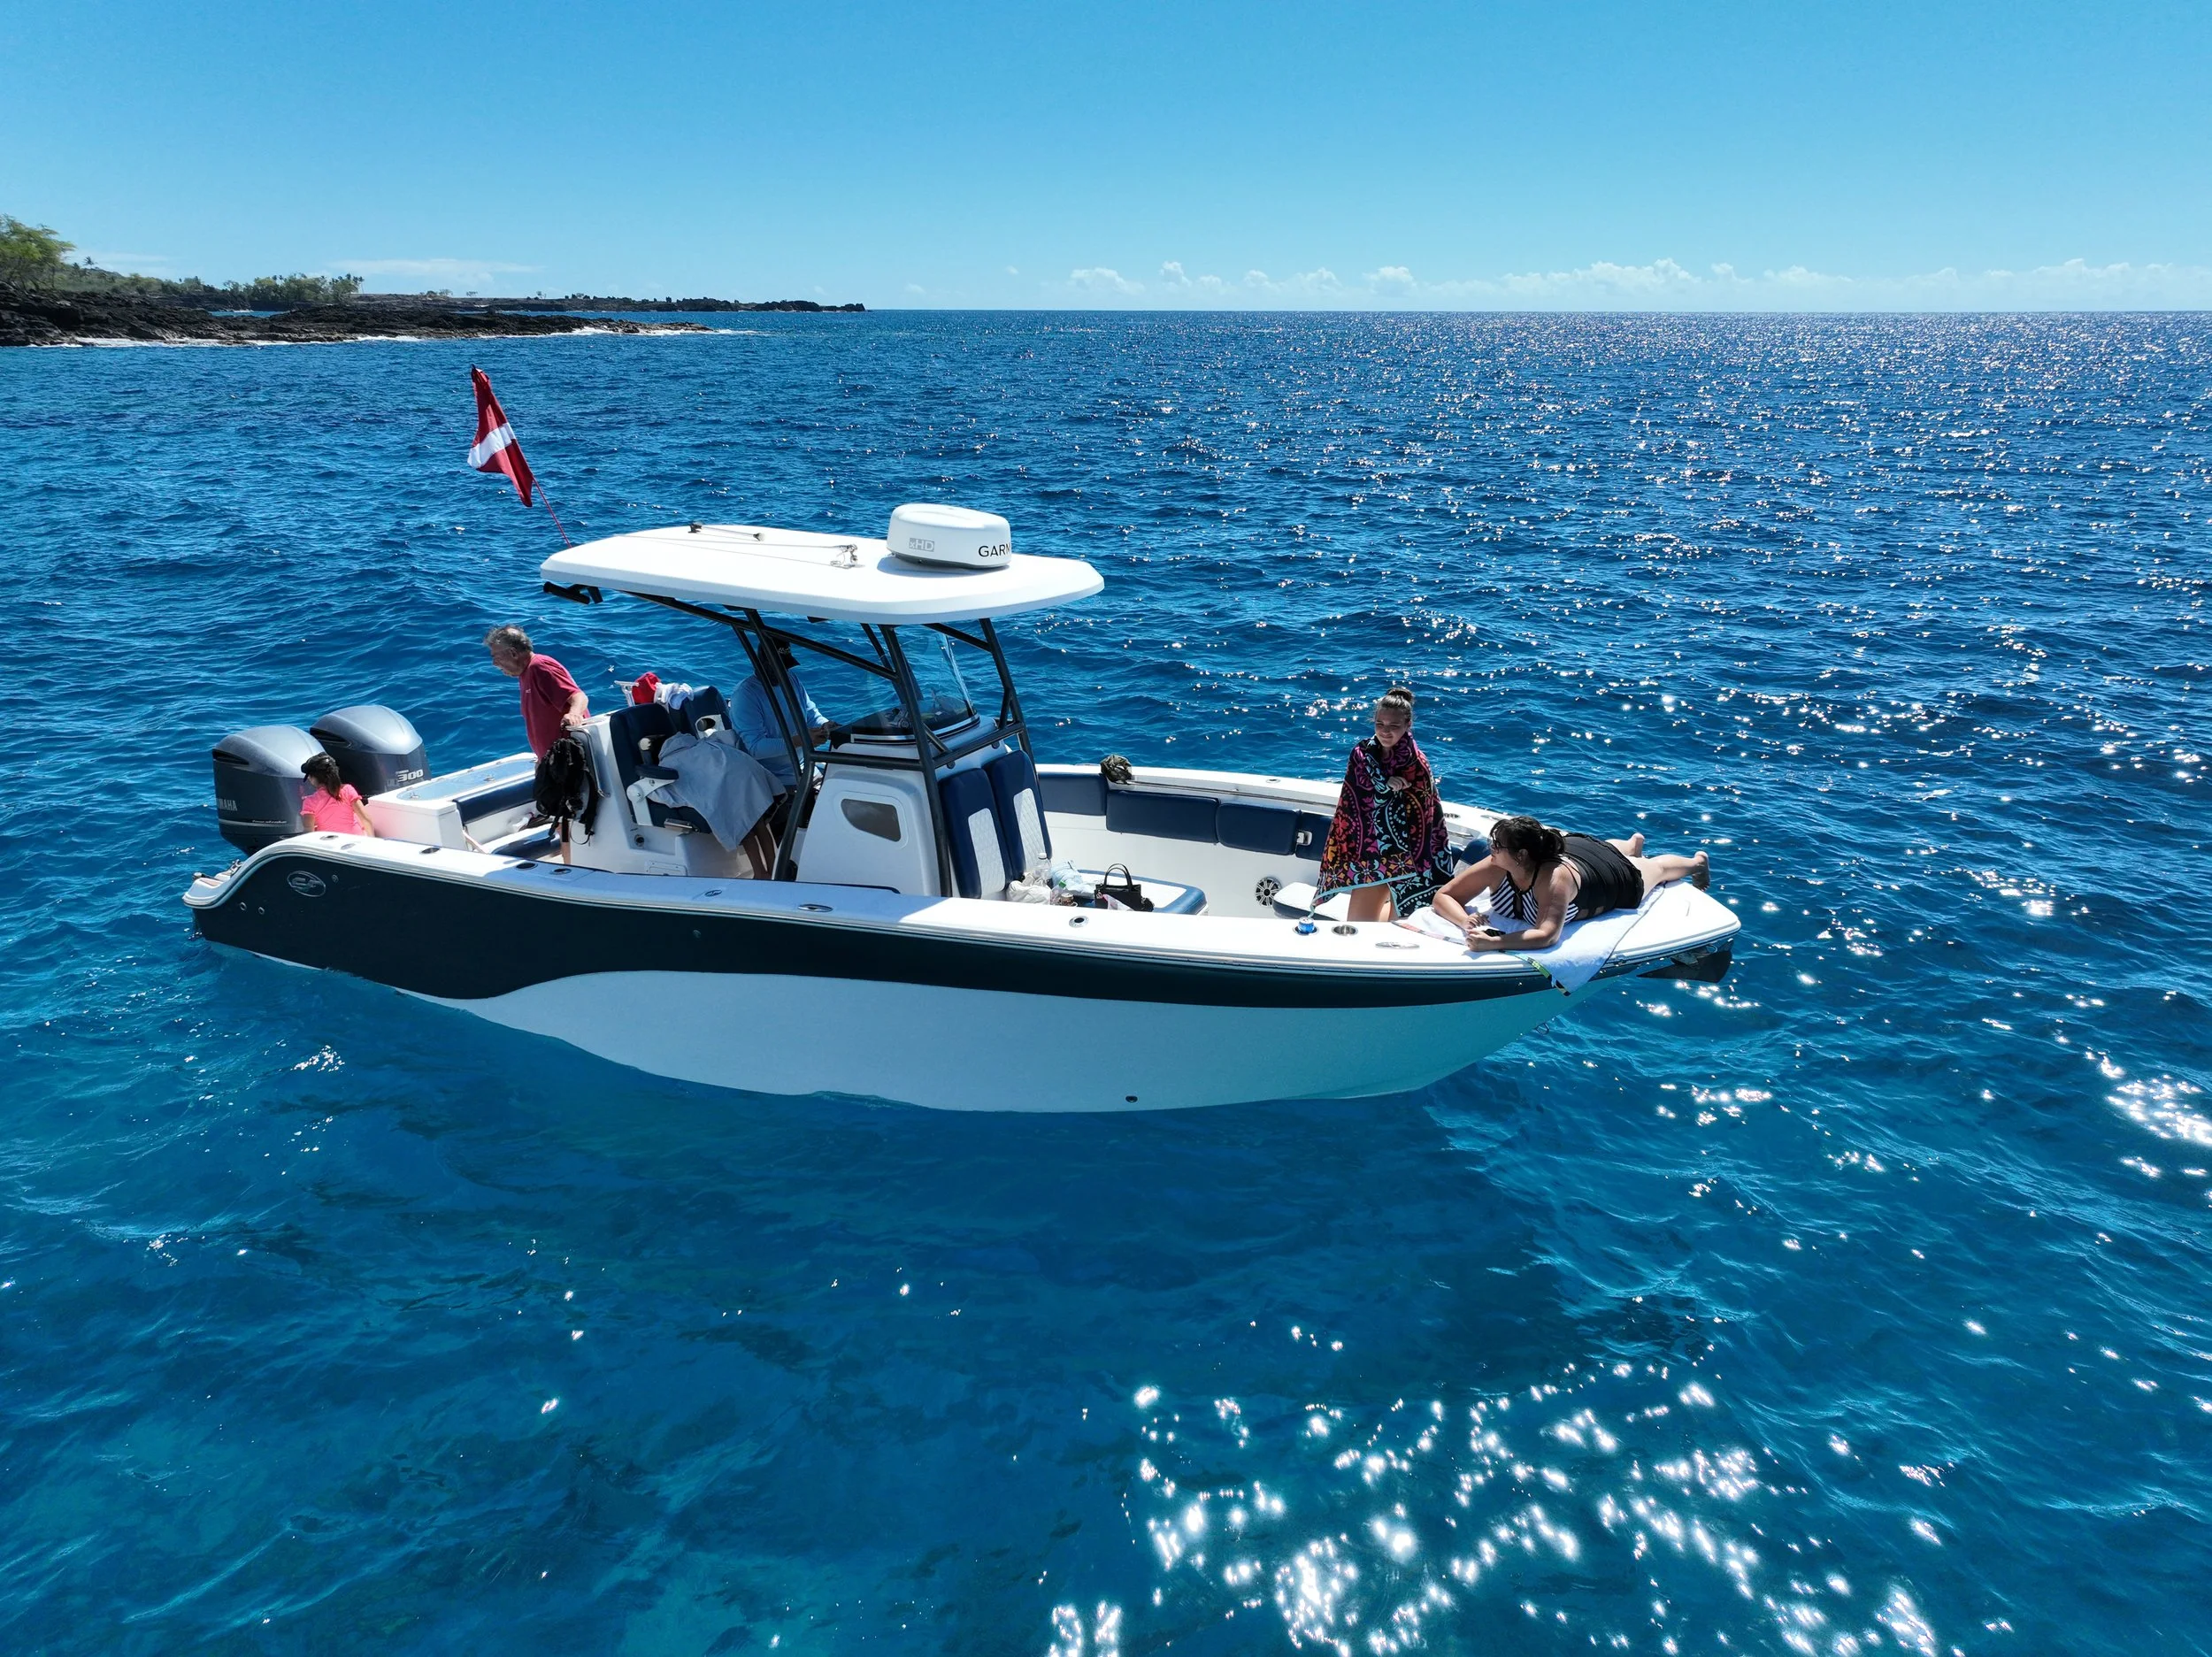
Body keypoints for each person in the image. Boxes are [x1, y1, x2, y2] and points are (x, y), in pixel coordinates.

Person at [1430, 815, 1709, 952]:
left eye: (1497, 845)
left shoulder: (1553, 879)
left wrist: (1496, 943)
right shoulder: (1497, 865)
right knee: (1606, 847)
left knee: (1655, 868)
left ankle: (1696, 861)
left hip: (1608, 877)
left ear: (1521, 855)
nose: (1490, 849)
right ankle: (1630, 845)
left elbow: (1547, 934)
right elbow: (1444, 896)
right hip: (1576, 848)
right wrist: (1465, 922)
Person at [1317, 685, 1455, 923]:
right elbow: (1354, 799)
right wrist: (1383, 783)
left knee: (1398, 928)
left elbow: (1425, 814)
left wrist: (1391, 788)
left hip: (1411, 858)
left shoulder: (1417, 763)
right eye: (1380, 724)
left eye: (1394, 726)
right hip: (1372, 855)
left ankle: (1394, 904)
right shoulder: (1362, 754)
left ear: (1408, 725)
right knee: (1357, 924)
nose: (1385, 732)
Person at [731, 641, 831, 791]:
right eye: (775, 666)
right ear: (760, 662)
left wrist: (826, 725)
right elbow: (755, 748)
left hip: (807, 768)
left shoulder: (791, 679)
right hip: (775, 782)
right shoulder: (745, 694)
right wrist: (802, 740)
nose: (782, 671)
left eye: (785, 666)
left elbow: (811, 715)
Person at [485, 624, 588, 758]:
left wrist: (574, 714)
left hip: (570, 759)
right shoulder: (524, 673)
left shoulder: (540, 667)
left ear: (513, 653)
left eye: (496, 657)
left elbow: (578, 696)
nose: (494, 663)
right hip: (553, 761)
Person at [299, 753, 376, 836]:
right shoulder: (348, 790)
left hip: (331, 845)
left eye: (309, 777)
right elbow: (366, 819)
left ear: (313, 778)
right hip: (356, 840)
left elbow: (308, 831)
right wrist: (372, 841)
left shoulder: (310, 802)